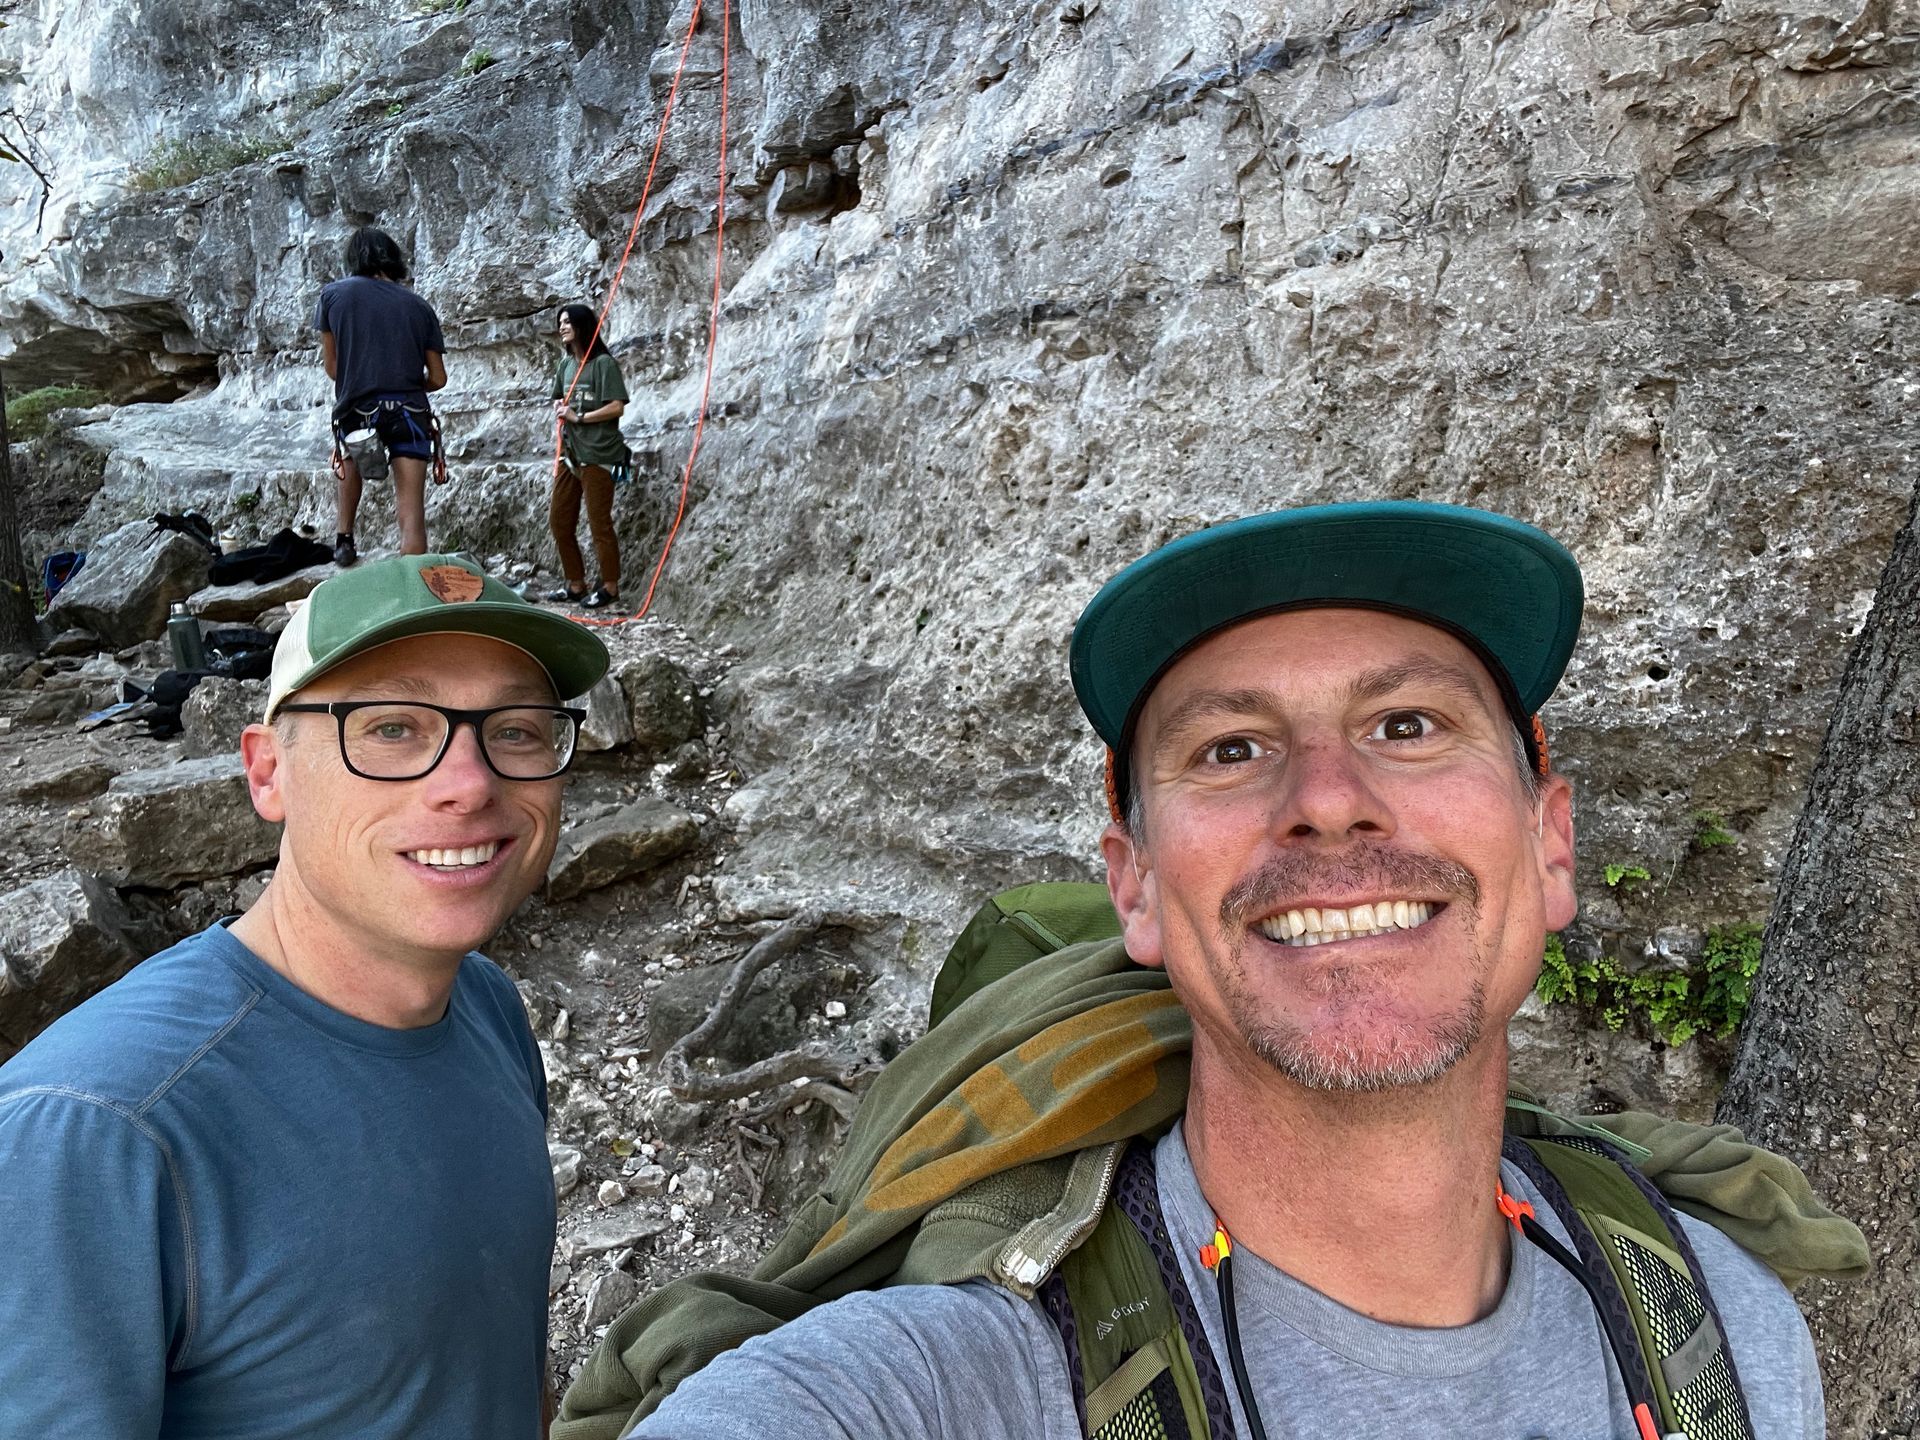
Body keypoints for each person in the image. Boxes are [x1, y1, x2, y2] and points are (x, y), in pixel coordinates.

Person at [581, 501, 1838, 1440]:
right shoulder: (950, 1383)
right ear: (1133, 883)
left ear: (1551, 843)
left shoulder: (1728, 1340)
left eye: (1408, 725)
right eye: (1232, 748)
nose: (1330, 803)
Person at [0, 553, 609, 1438]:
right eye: (393, 727)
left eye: (516, 730)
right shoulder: (97, 1130)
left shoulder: (484, 1010)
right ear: (267, 772)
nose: (471, 783)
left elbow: (490, 1354)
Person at [315, 226, 449, 566]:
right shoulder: (419, 306)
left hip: (358, 406)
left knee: (349, 461)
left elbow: (333, 369)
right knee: (411, 507)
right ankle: (412, 579)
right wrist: (404, 380)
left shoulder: (334, 296)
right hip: (410, 410)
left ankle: (344, 539)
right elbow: (438, 377)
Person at [546, 303, 629, 609]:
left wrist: (579, 417)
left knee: (599, 523)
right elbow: (557, 396)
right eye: (560, 322)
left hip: (600, 454)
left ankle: (609, 586)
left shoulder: (603, 364)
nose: (562, 327)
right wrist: (560, 408)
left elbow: (617, 406)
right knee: (559, 520)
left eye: (567, 322)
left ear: (582, 325)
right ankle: (576, 583)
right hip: (570, 454)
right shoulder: (565, 365)